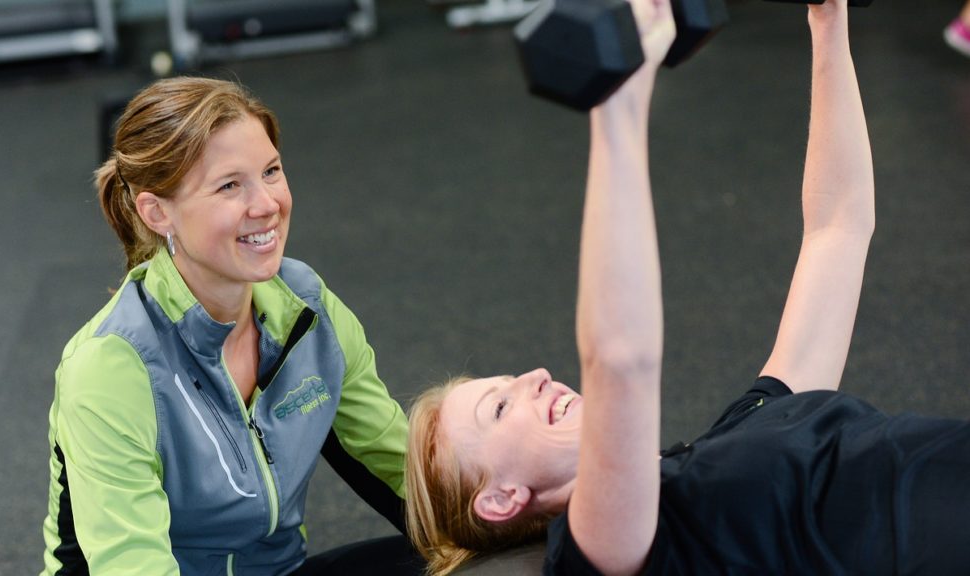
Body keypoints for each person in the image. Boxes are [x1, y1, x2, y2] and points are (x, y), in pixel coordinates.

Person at [405, 1, 970, 575]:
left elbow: (838, 229)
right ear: (501, 498)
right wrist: (619, 102)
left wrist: (828, 22)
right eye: (499, 407)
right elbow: (620, 362)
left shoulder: (736, 434)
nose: (536, 376)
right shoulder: (608, 550)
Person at [40, 77, 420, 575]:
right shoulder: (112, 365)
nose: (266, 204)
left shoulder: (306, 309)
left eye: (271, 171)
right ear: (157, 212)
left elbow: (397, 466)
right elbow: (131, 564)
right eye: (229, 185)